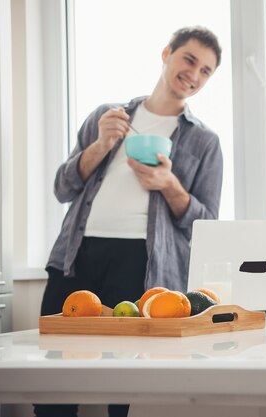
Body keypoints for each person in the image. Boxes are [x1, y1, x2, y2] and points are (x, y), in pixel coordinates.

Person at [35, 26, 223, 417]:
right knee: (54, 383)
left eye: (206, 71)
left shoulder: (204, 142)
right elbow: (61, 187)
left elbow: (207, 225)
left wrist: (170, 185)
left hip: (144, 265)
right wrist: (100, 146)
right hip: (76, 255)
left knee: (126, 389)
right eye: (189, 59)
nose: (194, 74)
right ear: (166, 53)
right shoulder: (106, 118)